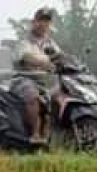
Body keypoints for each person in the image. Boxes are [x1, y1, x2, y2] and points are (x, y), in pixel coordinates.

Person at [12, 7, 64, 144]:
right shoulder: (25, 41)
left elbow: (60, 57)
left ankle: (47, 134)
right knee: (33, 96)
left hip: (44, 82)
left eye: (47, 21)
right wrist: (45, 61)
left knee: (57, 97)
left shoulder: (50, 43)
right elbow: (26, 57)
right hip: (23, 80)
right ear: (34, 22)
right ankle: (35, 134)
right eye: (41, 20)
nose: (43, 24)